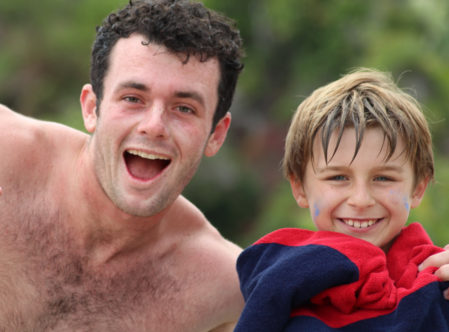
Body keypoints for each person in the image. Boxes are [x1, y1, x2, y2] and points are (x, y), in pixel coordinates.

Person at [0, 0, 245, 330]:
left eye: (184, 108)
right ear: (92, 108)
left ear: (216, 134)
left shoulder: (223, 289)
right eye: (133, 98)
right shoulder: (6, 153)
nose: (154, 125)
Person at [235, 69, 449, 331]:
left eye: (383, 178)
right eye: (338, 177)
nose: (361, 200)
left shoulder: (439, 278)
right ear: (299, 187)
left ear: (418, 188)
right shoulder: (275, 282)